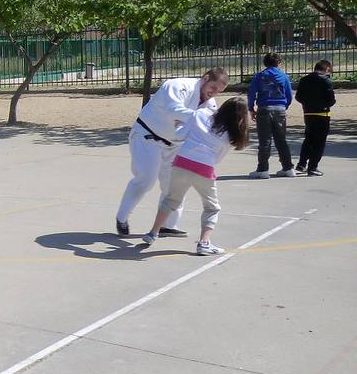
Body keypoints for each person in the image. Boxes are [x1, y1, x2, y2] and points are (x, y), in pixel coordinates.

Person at [115, 67, 229, 236]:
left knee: (174, 185)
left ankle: (167, 225)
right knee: (146, 178)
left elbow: (205, 127)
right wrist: (196, 117)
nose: (214, 93)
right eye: (213, 87)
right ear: (205, 78)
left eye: (219, 91)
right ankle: (122, 218)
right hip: (147, 136)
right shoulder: (178, 85)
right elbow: (173, 109)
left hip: (175, 145)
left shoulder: (210, 104)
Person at [140, 97, 250, 255]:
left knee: (171, 200)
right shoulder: (231, 135)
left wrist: (178, 125)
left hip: (182, 162)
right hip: (204, 168)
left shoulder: (202, 114)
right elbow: (218, 158)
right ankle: (204, 243)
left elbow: (179, 134)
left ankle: (152, 233)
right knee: (211, 207)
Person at [247, 52, 296, 179]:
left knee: (265, 141)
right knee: (281, 140)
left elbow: (251, 93)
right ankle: (288, 168)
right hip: (279, 109)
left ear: (265, 63)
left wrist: (251, 108)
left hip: (264, 109)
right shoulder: (284, 76)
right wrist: (284, 107)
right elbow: (289, 95)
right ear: (278, 63)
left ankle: (263, 169)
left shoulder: (259, 76)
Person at [295, 59, 335, 176]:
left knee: (308, 140)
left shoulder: (304, 80)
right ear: (326, 69)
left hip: (308, 114)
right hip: (322, 114)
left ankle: (301, 165)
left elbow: (298, 97)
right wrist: (324, 104)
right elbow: (331, 100)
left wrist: (307, 104)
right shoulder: (326, 81)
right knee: (319, 142)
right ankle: (313, 167)